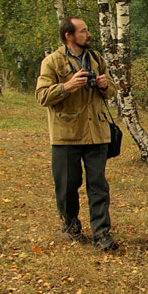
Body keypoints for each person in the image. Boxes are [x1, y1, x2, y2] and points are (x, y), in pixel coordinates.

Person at [35, 17, 119, 251]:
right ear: (69, 36)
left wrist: (104, 85)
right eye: (83, 31)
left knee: (98, 186)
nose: (88, 34)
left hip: (96, 133)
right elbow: (41, 96)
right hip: (66, 135)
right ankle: (71, 228)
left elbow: (112, 91)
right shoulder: (52, 62)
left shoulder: (96, 59)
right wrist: (68, 86)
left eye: (87, 30)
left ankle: (102, 235)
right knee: (67, 186)